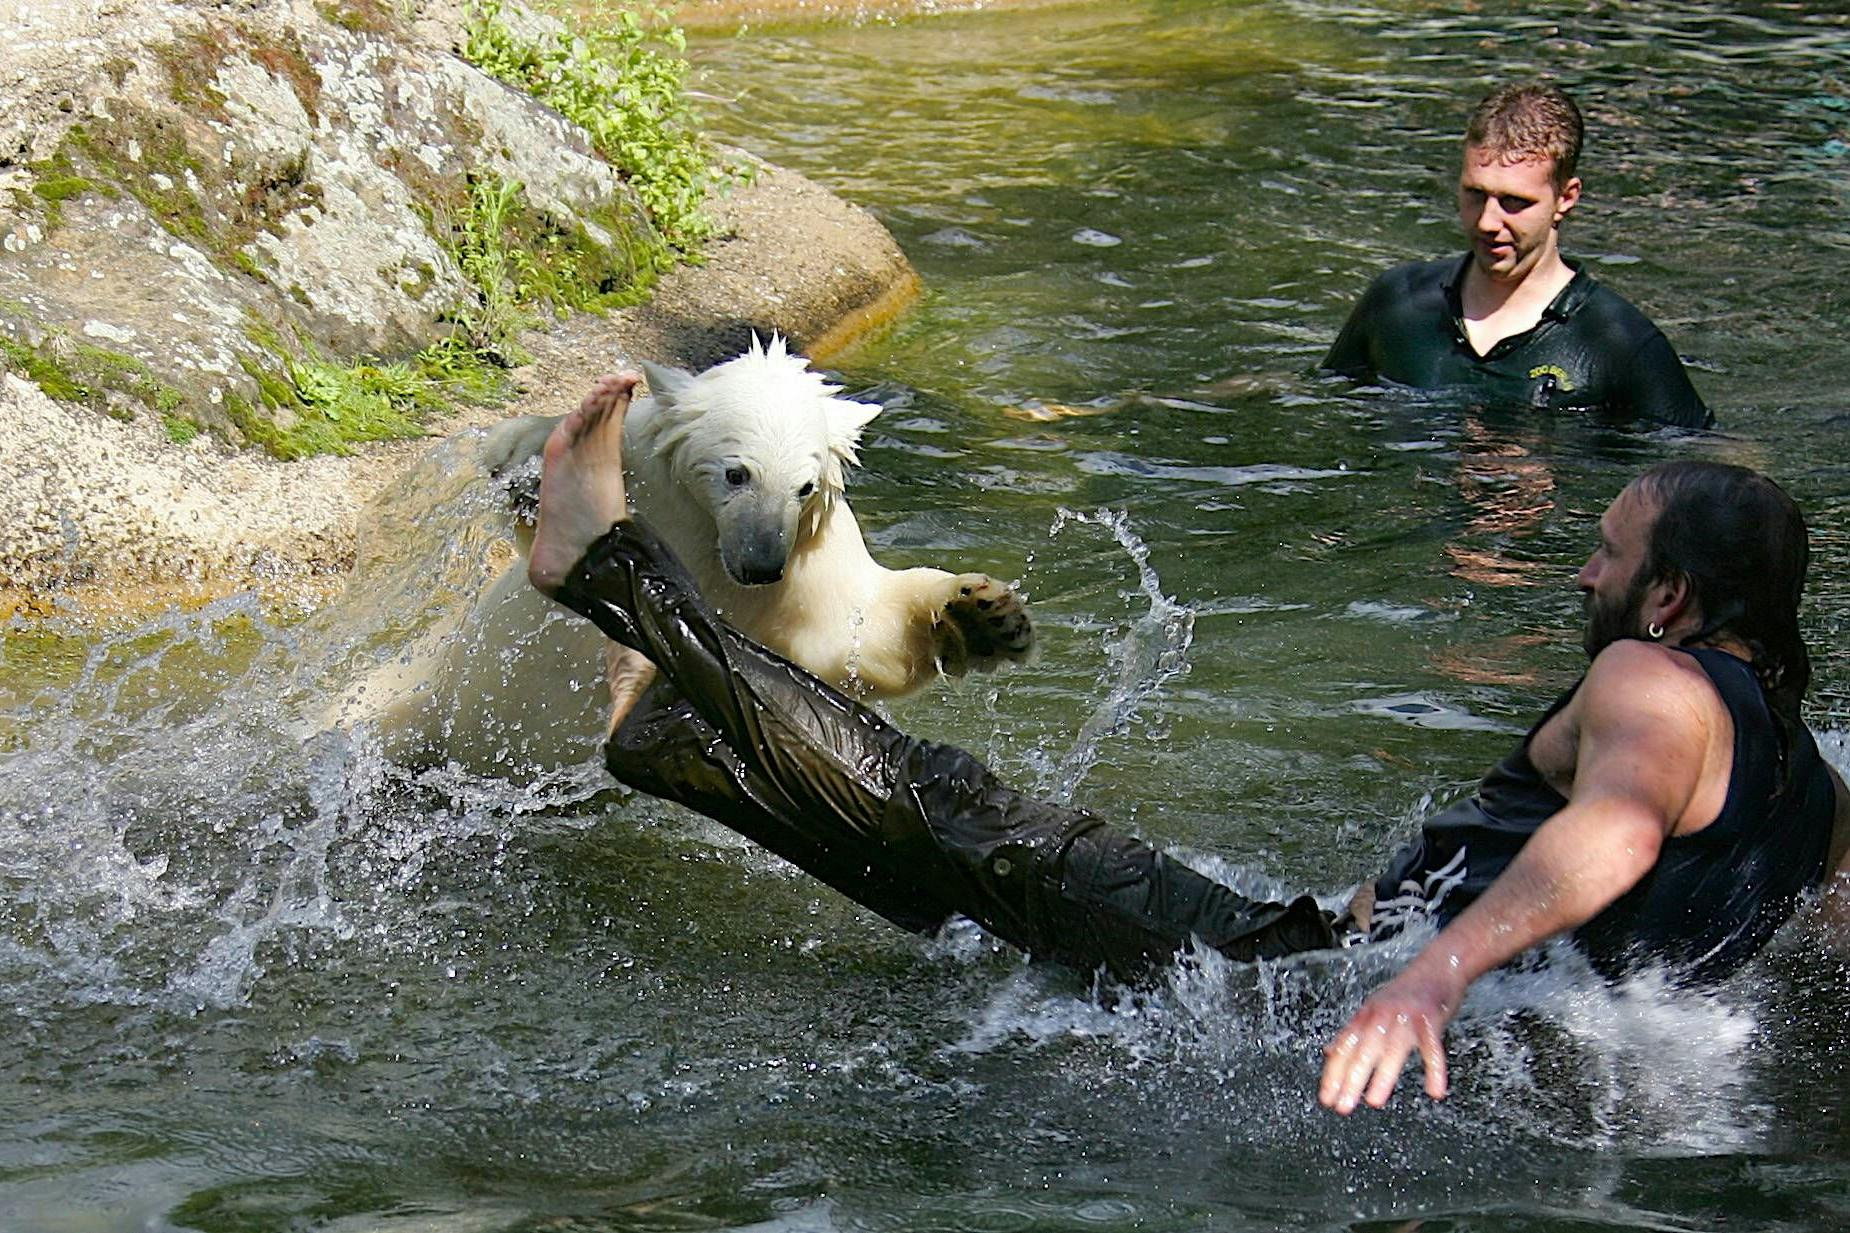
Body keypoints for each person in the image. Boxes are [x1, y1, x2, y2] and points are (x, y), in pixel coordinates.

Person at [526, 373, 1847, 1115]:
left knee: (943, 802)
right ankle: (674, 742)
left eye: (1604, 555)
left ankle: (608, 567)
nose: (1581, 579)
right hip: (1336, 1007)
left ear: (1669, 598)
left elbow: (1604, 834)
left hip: (1298, 992)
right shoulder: (1808, 780)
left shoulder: (1650, 681)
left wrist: (1427, 979)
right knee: (960, 877)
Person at [1320, 83, 1713, 430]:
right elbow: (1322, 400)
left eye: (1514, 202)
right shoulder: (1396, 302)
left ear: (1566, 198)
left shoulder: (1620, 344)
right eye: (1475, 194)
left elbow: (1706, 465)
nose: (1489, 221)